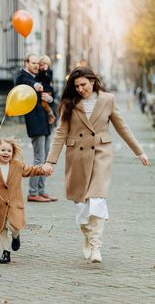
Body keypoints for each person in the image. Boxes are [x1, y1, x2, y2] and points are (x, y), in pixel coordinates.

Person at [43, 67, 149, 263]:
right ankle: (88, 237)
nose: (80, 89)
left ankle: (96, 246)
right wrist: (50, 161)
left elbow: (122, 127)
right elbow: (60, 134)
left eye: (83, 84)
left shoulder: (108, 99)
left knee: (98, 199)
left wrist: (139, 151)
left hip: (101, 153)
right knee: (81, 207)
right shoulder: (69, 104)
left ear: (92, 81)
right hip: (77, 156)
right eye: (76, 86)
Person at [0, 138, 52, 264]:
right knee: (1, 228)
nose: (6, 153)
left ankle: (16, 236)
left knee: (14, 225)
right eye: (3, 150)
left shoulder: (18, 166)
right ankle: (5, 252)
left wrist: (42, 169)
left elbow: (31, 170)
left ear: (13, 153)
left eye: (9, 150)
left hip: (14, 202)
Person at [15, 54, 58, 202]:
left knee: (46, 158)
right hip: (34, 122)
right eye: (32, 63)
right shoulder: (23, 76)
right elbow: (24, 82)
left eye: (36, 63)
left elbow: (49, 89)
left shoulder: (38, 76)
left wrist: (50, 98)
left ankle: (41, 190)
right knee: (39, 158)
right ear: (26, 63)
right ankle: (33, 192)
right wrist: (35, 86)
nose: (35, 65)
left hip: (44, 121)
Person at [36, 55, 56, 125]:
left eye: (42, 65)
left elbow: (49, 79)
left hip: (47, 90)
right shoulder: (39, 72)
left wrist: (45, 71)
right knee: (42, 104)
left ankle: (51, 115)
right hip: (42, 90)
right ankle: (49, 116)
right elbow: (38, 79)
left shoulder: (49, 71)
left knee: (44, 103)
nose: (40, 67)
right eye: (40, 65)